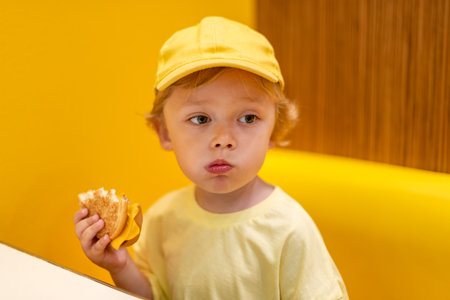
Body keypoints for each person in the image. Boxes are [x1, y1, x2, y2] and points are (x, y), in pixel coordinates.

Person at [74, 16, 348, 300]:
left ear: (273, 132)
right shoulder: (163, 221)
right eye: (201, 118)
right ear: (165, 133)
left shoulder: (290, 229)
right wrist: (120, 267)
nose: (223, 139)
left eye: (248, 117)